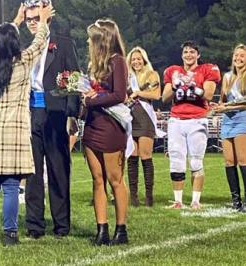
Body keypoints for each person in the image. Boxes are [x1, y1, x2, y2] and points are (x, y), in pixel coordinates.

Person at [0, 3, 54, 246]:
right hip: (12, 132)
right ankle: (10, 234)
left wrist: (15, 20)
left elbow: (0, 40)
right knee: (11, 187)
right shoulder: (22, 62)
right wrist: (44, 21)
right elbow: (38, 43)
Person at [24, 0, 80, 239]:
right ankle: (35, 226)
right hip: (30, 114)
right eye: (29, 20)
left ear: (47, 16)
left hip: (57, 115)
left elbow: (75, 80)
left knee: (58, 170)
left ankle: (61, 225)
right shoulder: (26, 49)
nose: (33, 23)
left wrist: (72, 115)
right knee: (32, 173)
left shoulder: (64, 44)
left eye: (37, 18)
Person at [82, 19, 129, 246]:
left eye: (92, 37)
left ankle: (121, 230)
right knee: (97, 179)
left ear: (103, 39)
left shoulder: (117, 61)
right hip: (92, 125)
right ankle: (101, 229)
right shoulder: (94, 64)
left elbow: (120, 95)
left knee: (115, 179)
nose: (88, 41)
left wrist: (93, 100)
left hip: (110, 126)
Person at [162, 40, 220, 209]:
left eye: (192, 52)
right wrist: (174, 85)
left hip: (197, 119)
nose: (189, 55)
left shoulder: (207, 69)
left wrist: (191, 86)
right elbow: (164, 98)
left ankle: (195, 200)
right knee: (176, 161)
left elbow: (208, 95)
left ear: (198, 55)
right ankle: (178, 200)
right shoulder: (173, 71)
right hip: (176, 120)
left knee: (195, 161)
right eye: (186, 52)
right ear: (182, 55)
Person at [211, 44, 246, 212]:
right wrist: (217, 107)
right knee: (229, 161)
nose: (238, 58)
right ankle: (236, 201)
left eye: (242, 56)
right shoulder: (227, 77)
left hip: (242, 120)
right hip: (227, 121)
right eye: (236, 55)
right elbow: (223, 101)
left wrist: (226, 108)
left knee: (243, 160)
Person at [126, 47, 161, 207]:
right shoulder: (127, 77)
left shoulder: (152, 74)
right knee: (132, 157)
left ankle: (149, 196)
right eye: (133, 59)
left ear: (144, 60)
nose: (136, 62)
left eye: (139, 58)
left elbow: (156, 95)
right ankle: (133, 197)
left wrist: (138, 93)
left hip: (145, 118)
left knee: (146, 156)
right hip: (130, 118)